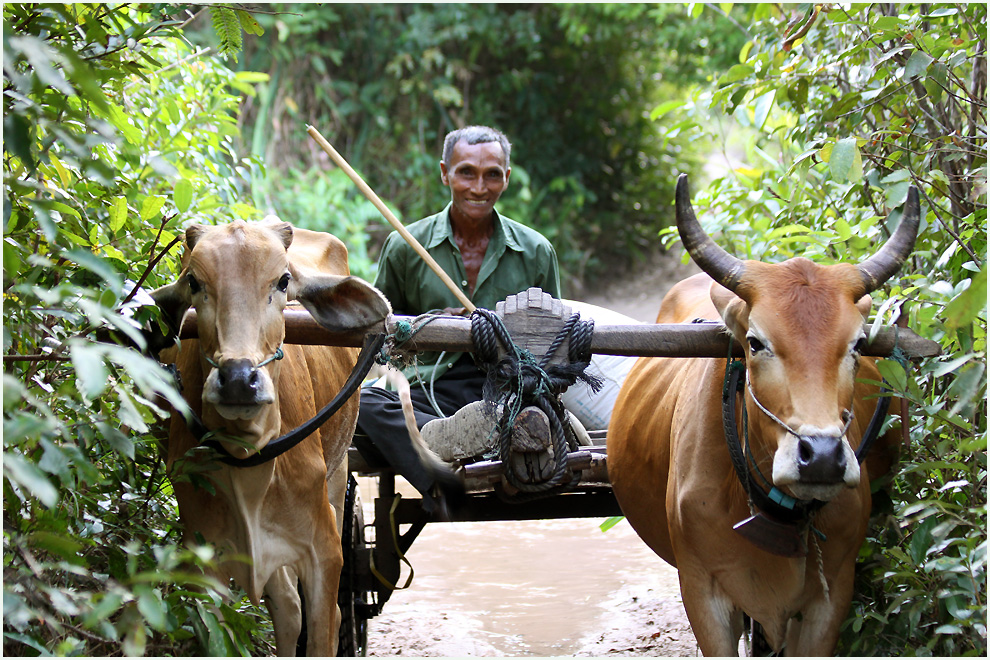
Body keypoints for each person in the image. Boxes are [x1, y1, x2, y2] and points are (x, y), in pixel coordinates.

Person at [353, 125, 561, 513]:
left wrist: (500, 333)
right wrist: (431, 324)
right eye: (466, 172)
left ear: (507, 178)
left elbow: (552, 344)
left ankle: (482, 434)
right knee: (367, 404)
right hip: (432, 388)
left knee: (534, 410)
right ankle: (443, 484)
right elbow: (377, 340)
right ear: (445, 173)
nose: (479, 187)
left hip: (507, 387)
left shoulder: (535, 251)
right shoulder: (404, 247)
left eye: (492, 174)